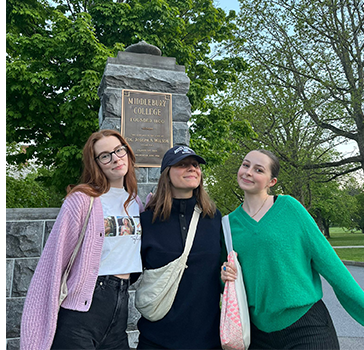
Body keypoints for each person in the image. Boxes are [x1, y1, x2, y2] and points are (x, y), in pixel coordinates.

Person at [221, 149, 364, 349]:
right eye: (245, 165)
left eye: (259, 170)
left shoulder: (290, 208)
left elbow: (333, 267)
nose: (248, 172)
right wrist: (225, 277)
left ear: (272, 182)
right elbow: (226, 286)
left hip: (307, 328)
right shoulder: (228, 225)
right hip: (257, 335)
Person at [20, 130, 144, 350]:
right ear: (96, 163)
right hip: (81, 314)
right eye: (105, 155)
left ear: (128, 153)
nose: (115, 158)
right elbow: (52, 263)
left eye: (119, 150)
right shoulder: (82, 200)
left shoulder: (135, 202)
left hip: (119, 313)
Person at [137, 145, 223, 349]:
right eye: (182, 164)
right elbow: (127, 273)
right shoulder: (147, 221)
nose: (192, 168)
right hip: (156, 340)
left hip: (207, 340)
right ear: (167, 174)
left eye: (195, 165)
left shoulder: (213, 218)